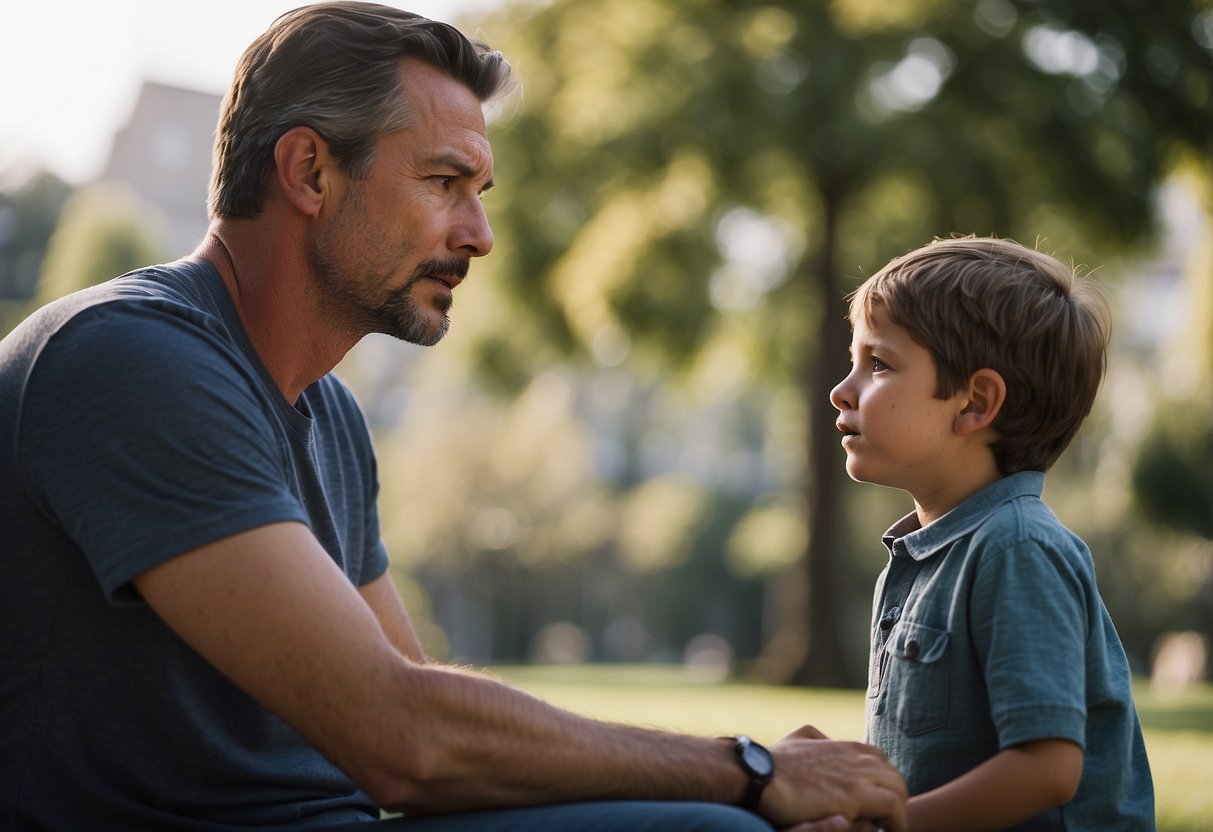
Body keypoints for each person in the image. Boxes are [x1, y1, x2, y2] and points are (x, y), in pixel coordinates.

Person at [0, 4, 909, 831]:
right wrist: (747, 769)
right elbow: (402, 737)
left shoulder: (328, 416)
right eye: (444, 182)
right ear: (309, 170)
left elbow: (418, 699)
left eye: (479, 191)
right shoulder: (129, 361)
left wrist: (744, 784)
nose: (478, 233)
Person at [828, 236, 1155, 830]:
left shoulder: (1016, 548)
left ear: (975, 403)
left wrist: (892, 825)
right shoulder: (921, 560)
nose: (841, 390)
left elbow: (1048, 768)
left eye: (877, 364)